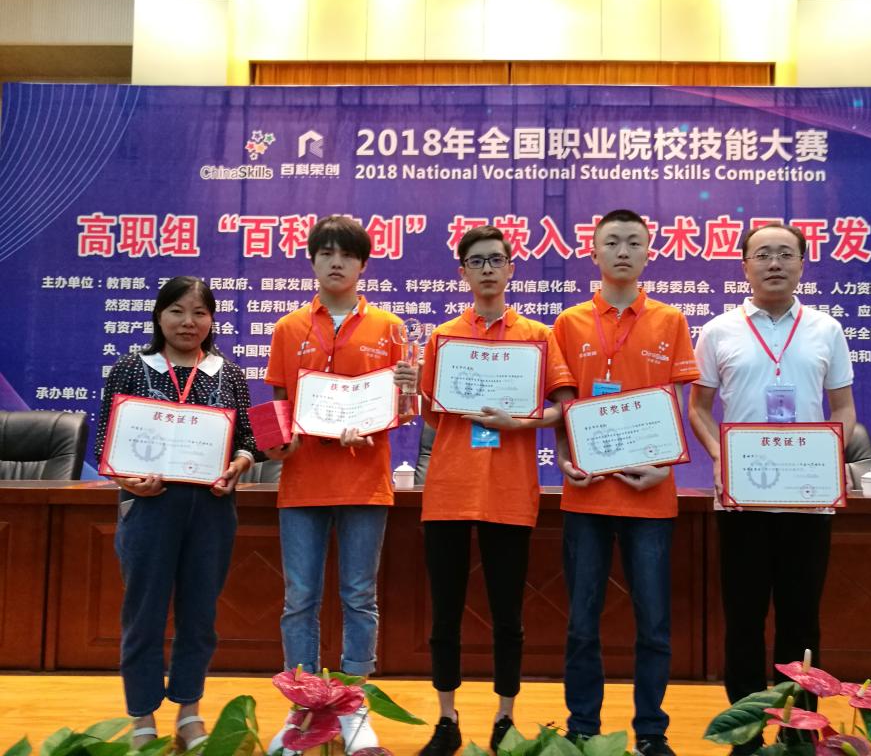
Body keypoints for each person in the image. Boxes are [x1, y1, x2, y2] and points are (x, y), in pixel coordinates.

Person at [688, 223, 856, 755]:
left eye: (786, 253)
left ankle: (798, 730)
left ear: (803, 264)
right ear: (745, 265)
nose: (775, 263)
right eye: (763, 254)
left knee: (801, 620)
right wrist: (721, 456)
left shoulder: (826, 329)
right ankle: (744, 733)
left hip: (806, 500)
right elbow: (698, 408)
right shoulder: (718, 331)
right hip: (742, 499)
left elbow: (843, 407)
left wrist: (829, 457)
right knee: (743, 618)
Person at [415, 226, 575, 756]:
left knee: (508, 616)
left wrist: (520, 423)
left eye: (496, 260)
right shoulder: (443, 337)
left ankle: (505, 718)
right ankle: (446, 719)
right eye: (477, 261)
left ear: (511, 268)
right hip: (449, 491)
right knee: (445, 614)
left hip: (508, 491)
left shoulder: (537, 335)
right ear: (462, 272)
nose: (487, 269)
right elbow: (434, 416)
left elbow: (562, 409)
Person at [264, 215, 416, 754]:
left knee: (359, 596)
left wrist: (390, 410)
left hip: (364, 480)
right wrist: (277, 443)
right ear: (311, 260)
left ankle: (353, 706)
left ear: (363, 264)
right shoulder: (288, 328)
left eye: (347, 254)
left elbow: (405, 408)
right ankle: (303, 707)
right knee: (299, 598)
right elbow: (277, 406)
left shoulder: (390, 328)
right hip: (303, 482)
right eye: (326, 252)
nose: (336, 262)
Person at [552, 209, 699, 756]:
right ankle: (582, 729)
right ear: (593, 253)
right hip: (587, 493)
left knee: (654, 625)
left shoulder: (670, 320)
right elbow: (564, 401)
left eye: (633, 242)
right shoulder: (568, 323)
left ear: (647, 253)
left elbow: (677, 401)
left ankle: (652, 733)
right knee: (581, 623)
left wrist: (667, 466)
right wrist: (563, 456)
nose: (622, 251)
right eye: (611, 242)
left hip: (651, 495)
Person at [94, 276, 257, 751]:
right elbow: (107, 439)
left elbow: (246, 439)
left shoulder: (228, 374)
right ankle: (142, 716)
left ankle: (189, 710)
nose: (189, 322)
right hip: (149, 508)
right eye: (177, 311)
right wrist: (127, 480)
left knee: (200, 615)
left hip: (211, 509)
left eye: (200, 313)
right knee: (143, 614)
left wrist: (239, 464)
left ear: (212, 320)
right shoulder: (131, 368)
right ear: (158, 316)